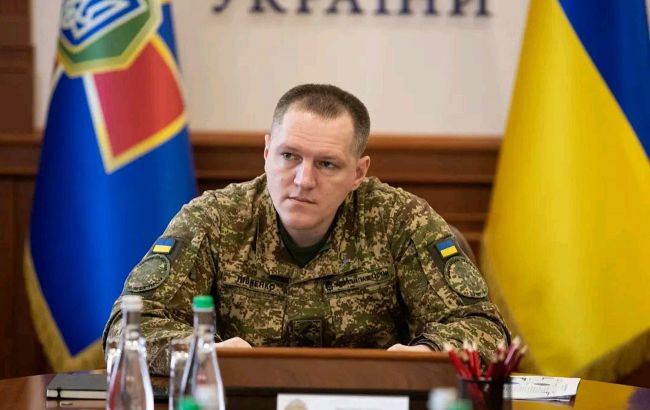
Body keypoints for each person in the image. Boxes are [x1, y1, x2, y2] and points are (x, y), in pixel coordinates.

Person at [103, 84, 510, 375]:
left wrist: (425, 354)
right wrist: (203, 351)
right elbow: (126, 330)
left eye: (326, 164)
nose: (303, 180)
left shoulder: (400, 220)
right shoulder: (215, 219)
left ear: (358, 173)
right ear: (267, 152)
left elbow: (484, 329)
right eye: (289, 156)